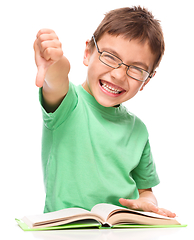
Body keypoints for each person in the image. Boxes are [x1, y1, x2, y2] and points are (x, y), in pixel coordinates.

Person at [34, 6, 176, 217]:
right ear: (87, 53)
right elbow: (57, 79)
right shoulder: (68, 103)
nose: (119, 75)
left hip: (122, 229)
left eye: (137, 69)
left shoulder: (138, 130)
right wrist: (54, 63)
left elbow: (145, 191)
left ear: (146, 81)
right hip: (66, 231)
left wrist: (147, 203)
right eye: (110, 57)